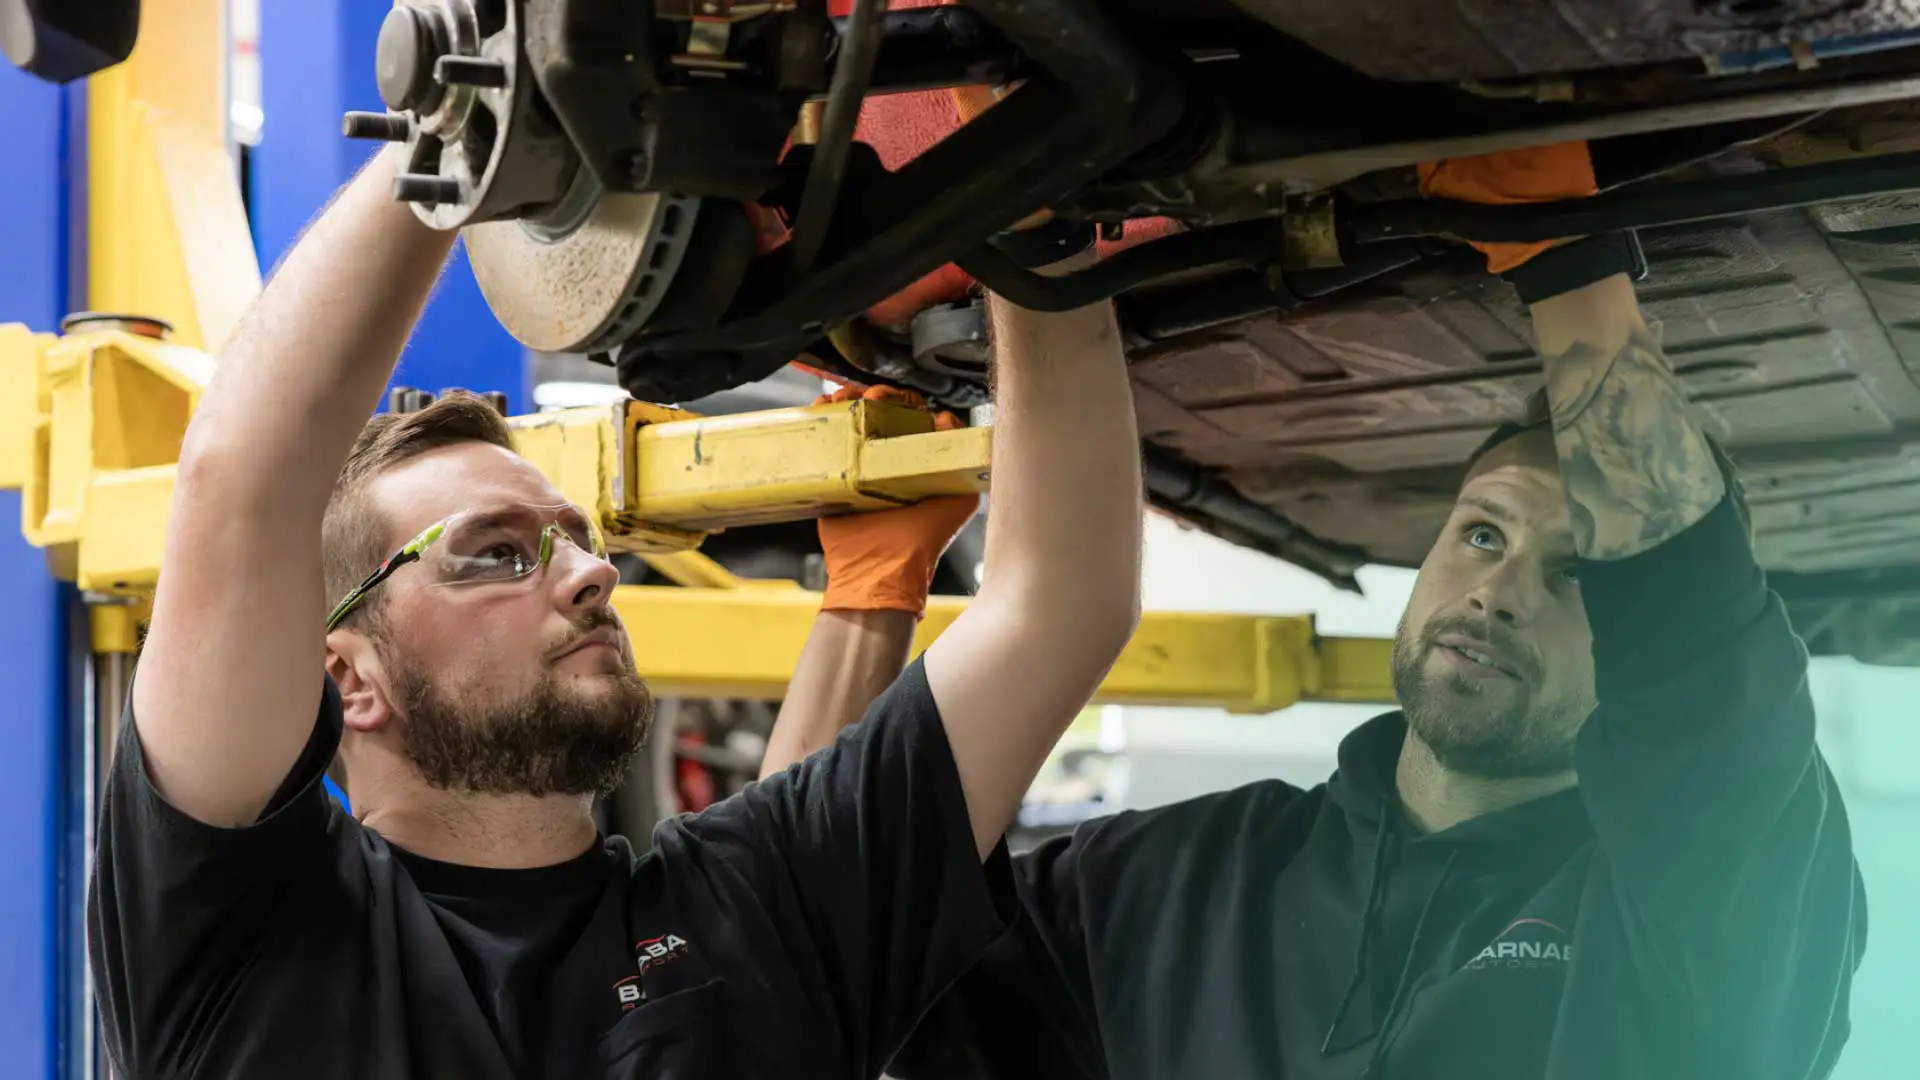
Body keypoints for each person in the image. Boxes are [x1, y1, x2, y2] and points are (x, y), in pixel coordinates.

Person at [765, 143, 1869, 1080]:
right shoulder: (1196, 883)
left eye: (1578, 572)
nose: (1496, 591)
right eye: (1482, 533)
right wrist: (868, 599)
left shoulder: (1700, 911)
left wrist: (1567, 259)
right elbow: (808, 938)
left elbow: (1700, 646)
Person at [86, 144, 1144, 1080]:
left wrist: (1031, 213)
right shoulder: (246, 934)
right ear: (349, 676)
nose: (592, 576)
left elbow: (1059, 606)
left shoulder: (752, 908)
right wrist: (470, 120)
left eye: (581, 541)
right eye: (496, 555)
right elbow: (240, 483)